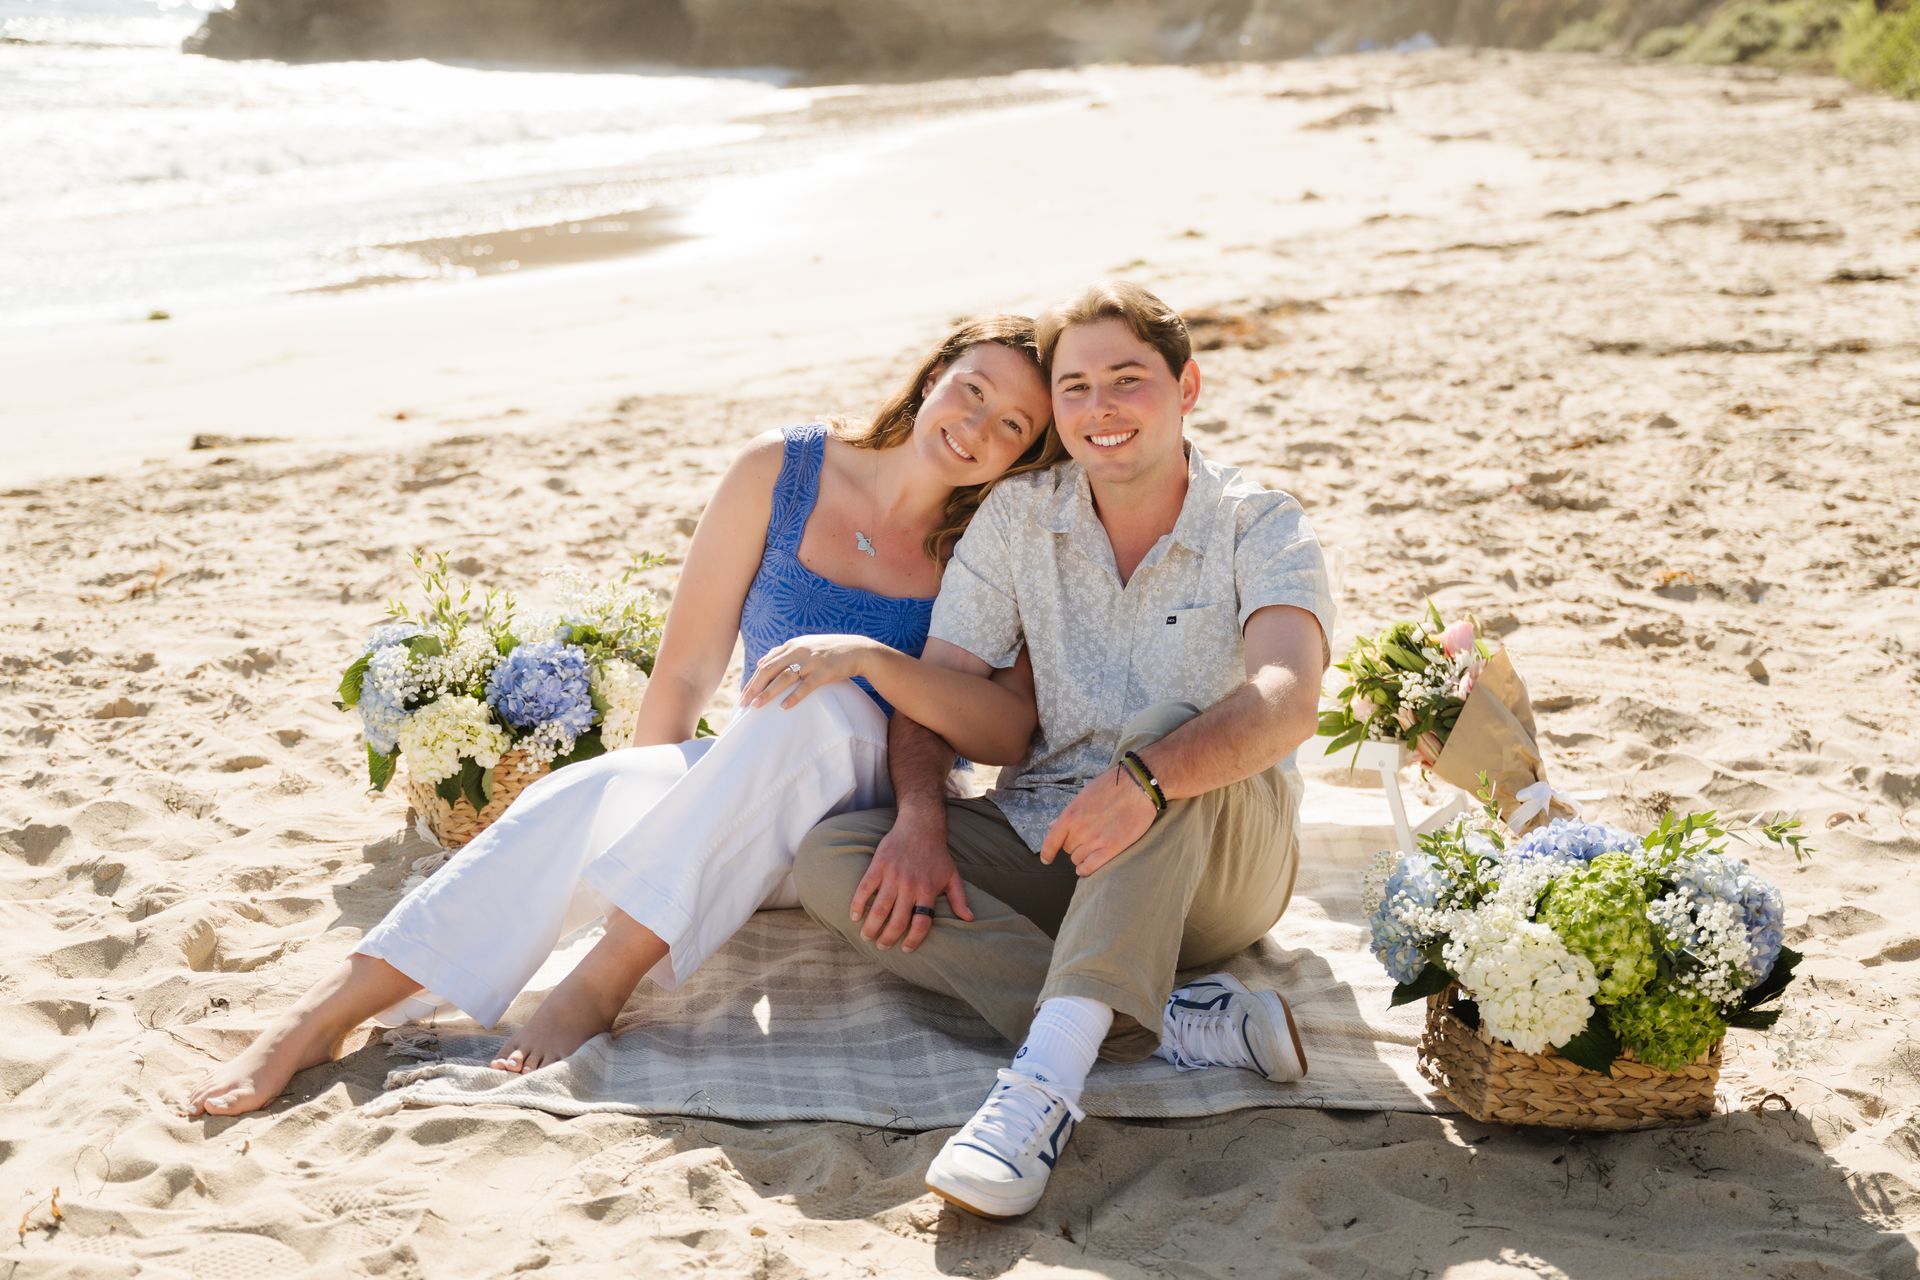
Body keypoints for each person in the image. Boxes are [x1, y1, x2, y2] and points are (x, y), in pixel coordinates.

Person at [183, 315, 1059, 1118]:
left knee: (822, 700)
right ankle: (318, 1016)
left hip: (860, 828)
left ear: (1024, 453)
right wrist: (667, 817)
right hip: (744, 804)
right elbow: (687, 670)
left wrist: (868, 660)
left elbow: (1001, 731)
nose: (978, 426)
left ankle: (602, 981)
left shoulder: (991, 544)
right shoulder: (784, 469)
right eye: (973, 390)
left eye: (1013, 424)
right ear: (935, 374)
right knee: (585, 794)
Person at [790, 282, 1335, 1219]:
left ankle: (1039, 1092)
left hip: (1218, 861)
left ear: (1186, 387)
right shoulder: (1018, 516)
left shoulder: (1259, 521)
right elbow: (939, 685)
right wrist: (919, 816)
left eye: (1127, 380)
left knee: (1167, 729)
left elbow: (1287, 699)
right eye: (1074, 388)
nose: (1099, 408)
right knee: (839, 858)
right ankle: (1162, 1022)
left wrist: (1147, 779)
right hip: (1053, 832)